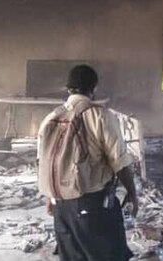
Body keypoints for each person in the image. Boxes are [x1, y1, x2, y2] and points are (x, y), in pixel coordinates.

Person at [37, 64, 138, 261]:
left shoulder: (51, 117)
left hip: (61, 208)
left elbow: (46, 161)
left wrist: (50, 197)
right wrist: (133, 194)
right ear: (93, 89)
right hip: (93, 204)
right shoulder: (100, 115)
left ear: (68, 89)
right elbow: (120, 162)